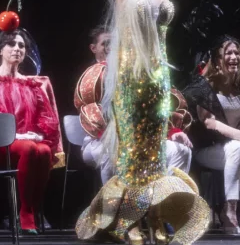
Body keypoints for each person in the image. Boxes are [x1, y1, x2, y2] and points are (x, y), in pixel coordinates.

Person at [29, 0, 220, 245]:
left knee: (155, 155)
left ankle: (153, 217)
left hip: (159, 79)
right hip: (132, 79)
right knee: (133, 154)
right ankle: (126, 221)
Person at [0, 6, 63, 234]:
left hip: (27, 143)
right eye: (12, 44)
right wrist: (15, 134)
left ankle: (32, 208)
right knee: (30, 149)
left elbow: (46, 116)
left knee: (44, 151)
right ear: (0, 49)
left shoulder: (32, 84)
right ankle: (25, 214)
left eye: (21, 45)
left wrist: (39, 133)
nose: (17, 49)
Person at [76, 26, 192, 184]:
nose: (111, 47)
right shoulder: (91, 78)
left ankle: (166, 201)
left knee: (181, 151)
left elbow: (155, 109)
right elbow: (92, 114)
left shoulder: (134, 73)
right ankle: (114, 206)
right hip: (100, 142)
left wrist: (172, 131)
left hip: (138, 140)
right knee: (115, 151)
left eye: (115, 43)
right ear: (93, 48)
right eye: (105, 43)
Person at [184, 36, 240, 235]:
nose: (233, 57)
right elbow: (209, 122)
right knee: (238, 146)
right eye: (228, 53)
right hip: (207, 149)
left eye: (236, 52)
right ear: (218, 59)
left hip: (235, 147)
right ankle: (229, 210)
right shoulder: (205, 85)